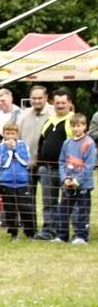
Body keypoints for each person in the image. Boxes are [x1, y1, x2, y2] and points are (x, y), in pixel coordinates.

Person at [35, 88, 74, 240]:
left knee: (66, 203)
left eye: (63, 102)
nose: (60, 105)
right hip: (47, 168)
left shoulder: (73, 121)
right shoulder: (49, 121)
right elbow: (41, 142)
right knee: (48, 203)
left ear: (70, 103)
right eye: (57, 103)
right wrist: (40, 163)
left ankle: (62, 232)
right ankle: (48, 231)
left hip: (65, 170)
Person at [18, 85, 53, 235]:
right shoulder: (23, 115)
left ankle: (49, 229)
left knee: (49, 200)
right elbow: (18, 138)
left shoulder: (53, 114)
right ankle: (30, 230)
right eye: (34, 98)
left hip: (46, 165)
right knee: (27, 200)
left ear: (46, 98)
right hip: (27, 165)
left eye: (40, 98)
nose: (36, 101)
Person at [55, 113, 95, 244]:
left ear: (84, 126)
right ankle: (62, 235)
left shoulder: (89, 143)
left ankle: (81, 236)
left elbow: (89, 165)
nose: (76, 129)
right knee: (63, 210)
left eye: (79, 126)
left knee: (82, 211)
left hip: (83, 185)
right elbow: (61, 162)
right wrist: (65, 178)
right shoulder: (67, 143)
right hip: (67, 183)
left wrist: (77, 181)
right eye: (73, 126)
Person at [0, 122, 35, 241]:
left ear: (17, 134)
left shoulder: (23, 145)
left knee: (25, 208)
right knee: (10, 209)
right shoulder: (1, 147)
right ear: (3, 134)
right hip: (6, 181)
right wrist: (8, 151)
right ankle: (13, 233)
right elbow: (3, 163)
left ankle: (30, 233)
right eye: (7, 133)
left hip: (22, 181)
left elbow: (25, 161)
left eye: (13, 133)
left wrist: (15, 150)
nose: (10, 136)